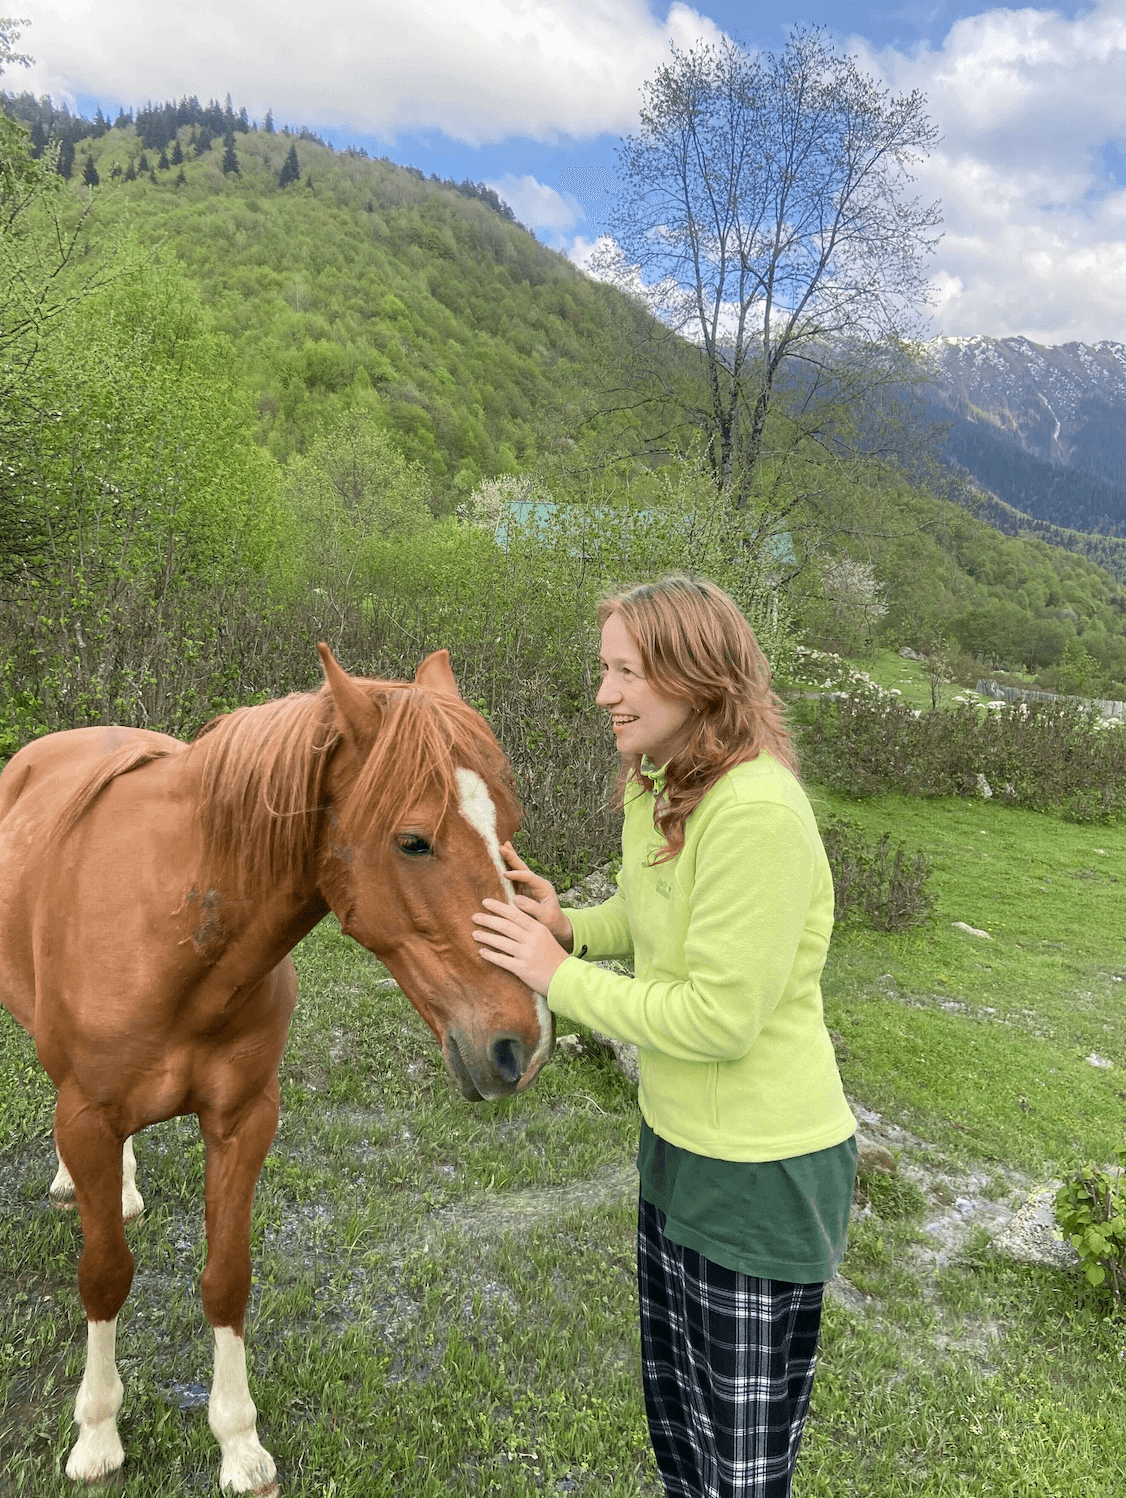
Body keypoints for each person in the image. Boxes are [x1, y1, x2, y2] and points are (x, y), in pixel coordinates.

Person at [472, 574, 857, 1498]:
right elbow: (651, 918)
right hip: (677, 1148)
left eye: (627, 672)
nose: (603, 693)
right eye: (604, 669)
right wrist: (570, 929)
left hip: (762, 1172)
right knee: (681, 1433)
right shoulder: (662, 786)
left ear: (697, 678)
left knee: (741, 1468)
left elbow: (719, 1019)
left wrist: (556, 978)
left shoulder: (756, 812)